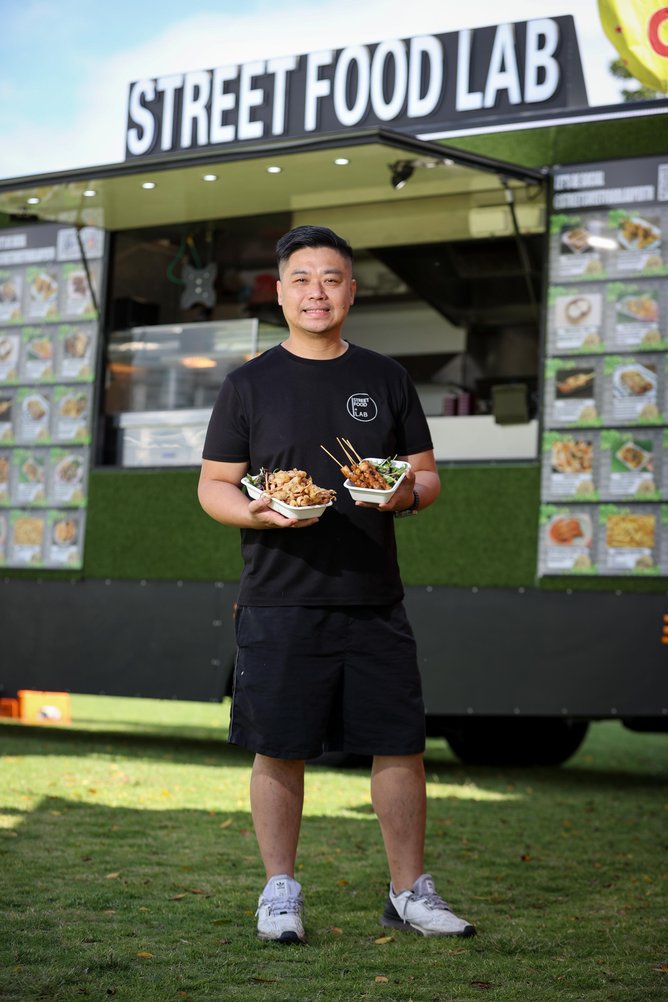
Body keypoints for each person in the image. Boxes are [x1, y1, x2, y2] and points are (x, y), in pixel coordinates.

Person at [198, 225, 475, 944]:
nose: (317, 291)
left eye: (331, 278)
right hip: (279, 594)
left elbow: (428, 476)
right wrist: (256, 512)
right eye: (302, 278)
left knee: (399, 744)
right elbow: (214, 486)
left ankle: (410, 891)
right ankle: (280, 892)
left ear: (351, 291)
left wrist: (404, 496)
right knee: (279, 745)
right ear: (282, 292)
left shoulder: (386, 378)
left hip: (374, 597)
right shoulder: (248, 384)